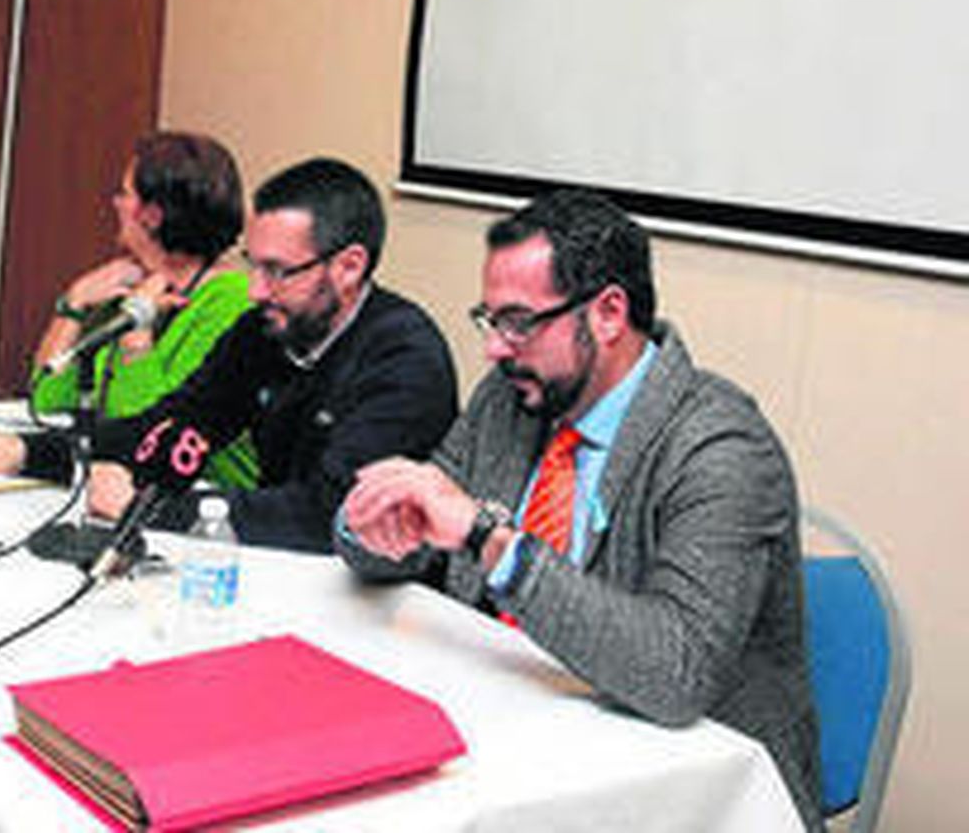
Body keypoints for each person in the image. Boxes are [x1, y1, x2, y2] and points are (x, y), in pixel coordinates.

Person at [336, 188, 823, 829]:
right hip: (521, 732)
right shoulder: (510, 400)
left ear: (608, 313)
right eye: (490, 320)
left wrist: (489, 538)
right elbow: (413, 526)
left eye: (519, 322)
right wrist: (373, 525)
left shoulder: (721, 445)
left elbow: (674, 673)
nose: (495, 349)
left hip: (679, 791)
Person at [0, 157, 460, 553]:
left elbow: (330, 516)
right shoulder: (266, 330)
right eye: (253, 264)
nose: (254, 290)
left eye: (277, 271)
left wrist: (153, 511)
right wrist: (23, 452)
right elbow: (171, 429)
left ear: (348, 266)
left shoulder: (404, 360)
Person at [29, 132, 257, 495]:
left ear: (151, 215)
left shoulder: (231, 302)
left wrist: (136, 332)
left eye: (124, 193)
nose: (115, 203)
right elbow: (47, 401)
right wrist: (73, 303)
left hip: (204, 508)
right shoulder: (135, 283)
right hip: (116, 486)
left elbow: (153, 436)